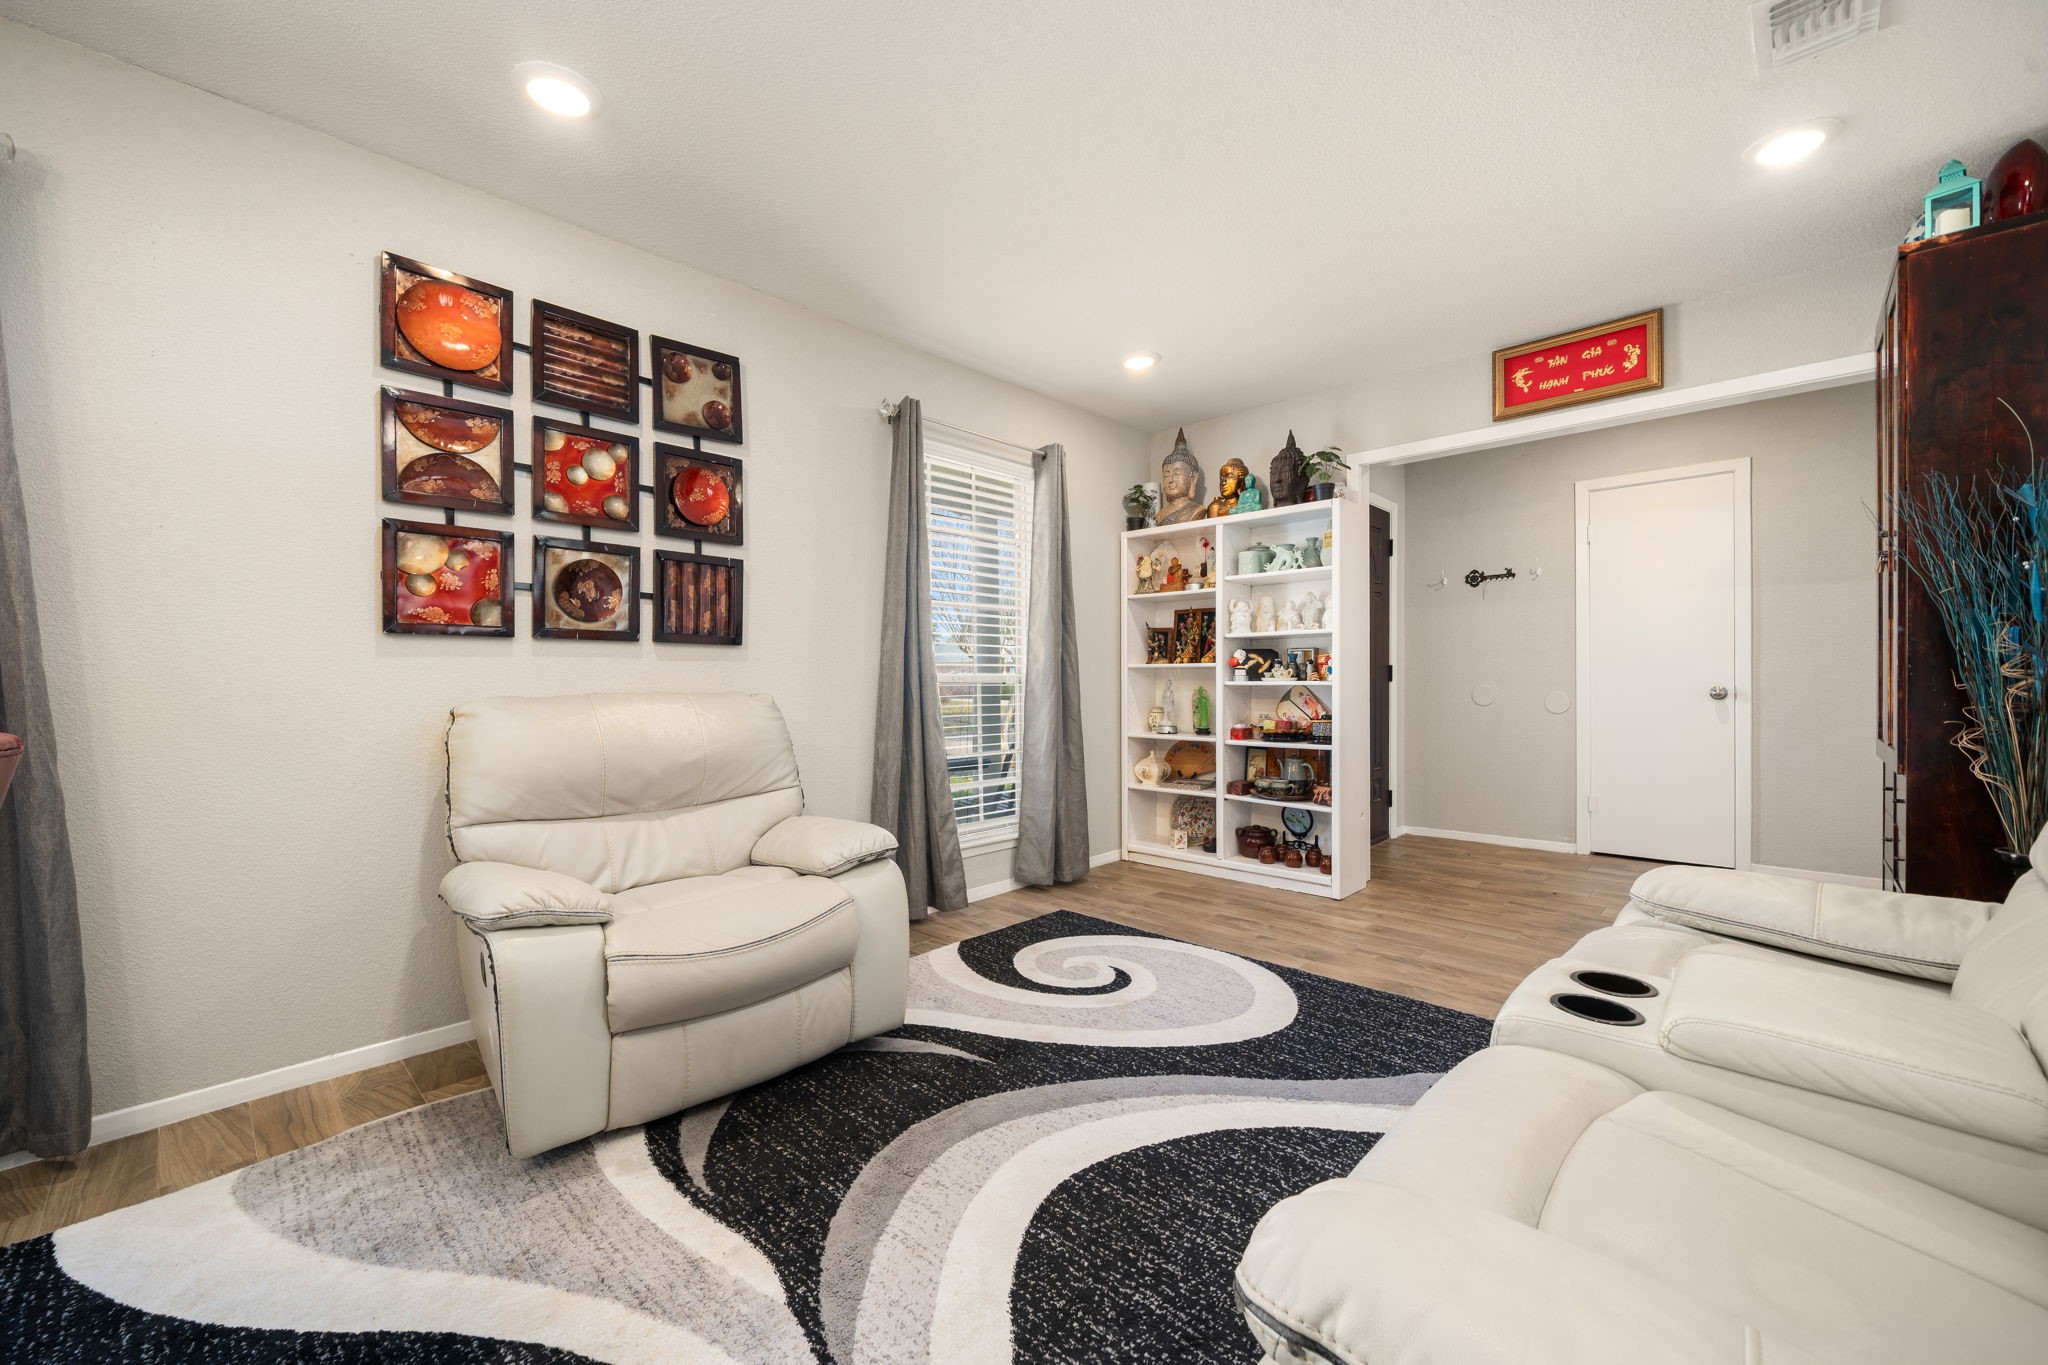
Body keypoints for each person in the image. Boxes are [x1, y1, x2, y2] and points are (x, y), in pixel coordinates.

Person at [1157, 429, 1204, 524]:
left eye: (1176, 474)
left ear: (1193, 477)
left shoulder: (1196, 509)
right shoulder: (1160, 514)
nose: (1170, 480)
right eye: (1166, 475)